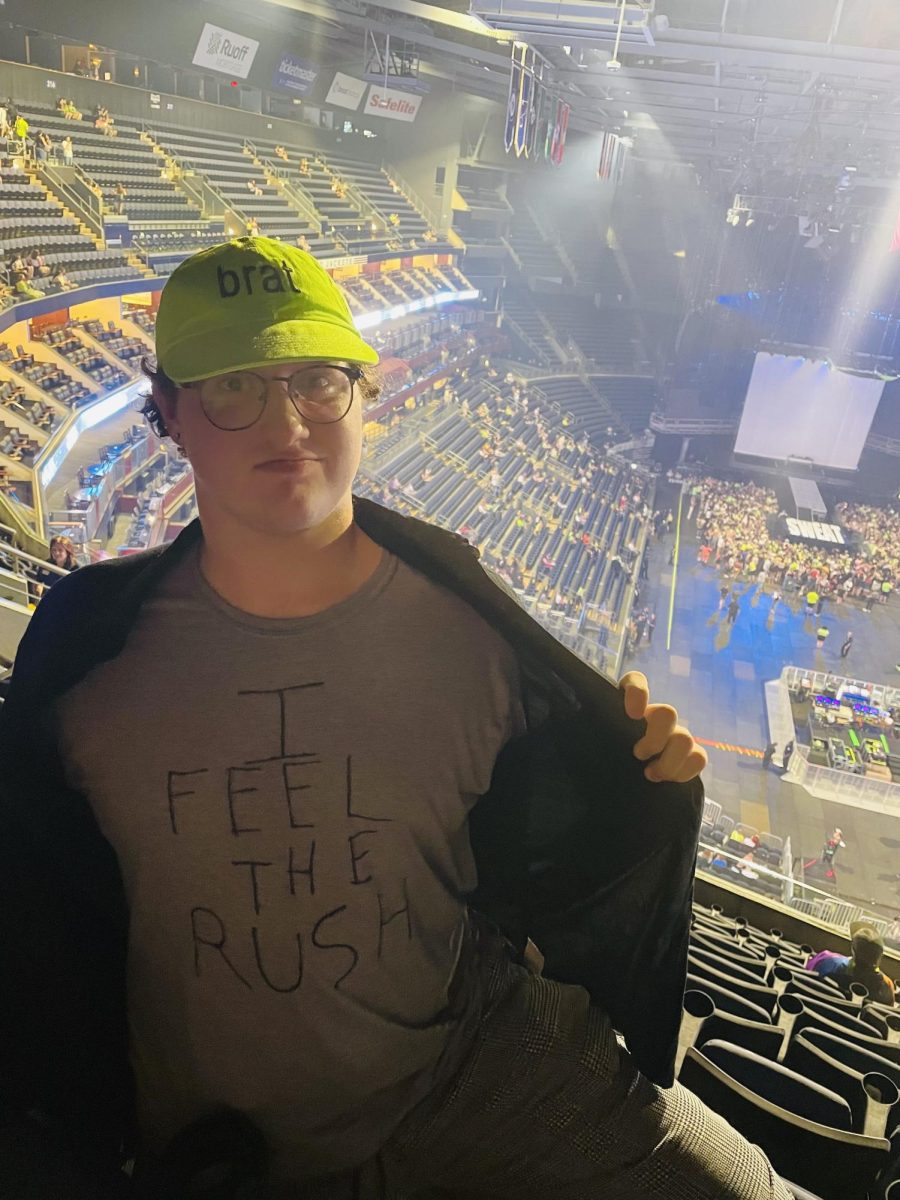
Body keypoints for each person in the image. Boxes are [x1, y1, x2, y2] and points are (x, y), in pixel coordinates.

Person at [0, 236, 794, 1200]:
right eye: (234, 388)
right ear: (166, 412)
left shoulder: (480, 633)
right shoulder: (88, 659)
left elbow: (567, 831)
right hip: (209, 1133)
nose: (286, 421)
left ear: (366, 394)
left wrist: (644, 780)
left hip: (463, 1069)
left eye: (317, 381)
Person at [806, 923, 895, 1006]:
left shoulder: (827, 962)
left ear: (853, 950)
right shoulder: (888, 987)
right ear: (879, 958)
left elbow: (807, 979)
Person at [29, 534, 80, 602]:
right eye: (54, 550)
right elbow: (38, 580)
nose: (56, 553)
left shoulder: (75, 569)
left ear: (67, 552)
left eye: (60, 550)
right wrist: (38, 587)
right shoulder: (47, 564)